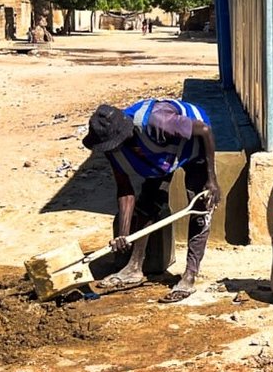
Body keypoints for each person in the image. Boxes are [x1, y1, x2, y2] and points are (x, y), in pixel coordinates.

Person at [82, 98, 221, 302]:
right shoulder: (110, 146)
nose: (111, 150)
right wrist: (124, 234)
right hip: (161, 157)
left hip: (194, 146)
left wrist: (212, 179)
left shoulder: (159, 122)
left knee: (200, 211)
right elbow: (125, 190)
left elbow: (204, 131)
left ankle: (189, 276)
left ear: (124, 135)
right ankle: (134, 267)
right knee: (148, 202)